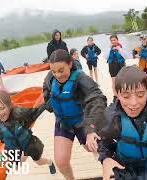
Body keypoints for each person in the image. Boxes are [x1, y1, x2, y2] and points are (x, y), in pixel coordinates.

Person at [98, 66, 147, 180]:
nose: (134, 103)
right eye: (126, 96)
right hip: (122, 172)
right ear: (117, 94)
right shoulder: (111, 117)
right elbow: (104, 141)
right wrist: (105, 158)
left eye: (140, 95)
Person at [43, 49, 107, 180]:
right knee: (61, 162)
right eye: (54, 71)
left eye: (61, 70)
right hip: (63, 123)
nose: (57, 75)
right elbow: (45, 88)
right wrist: (49, 103)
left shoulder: (81, 78)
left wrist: (91, 128)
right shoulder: (50, 77)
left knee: (96, 151)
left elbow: (98, 99)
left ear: (70, 64)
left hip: (83, 122)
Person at [0, 90, 56, 174]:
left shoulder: (19, 112)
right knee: (16, 167)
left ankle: (50, 162)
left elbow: (34, 113)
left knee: (39, 162)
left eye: (2, 108)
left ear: (9, 105)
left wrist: (50, 102)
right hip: (13, 149)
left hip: (29, 143)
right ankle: (20, 157)